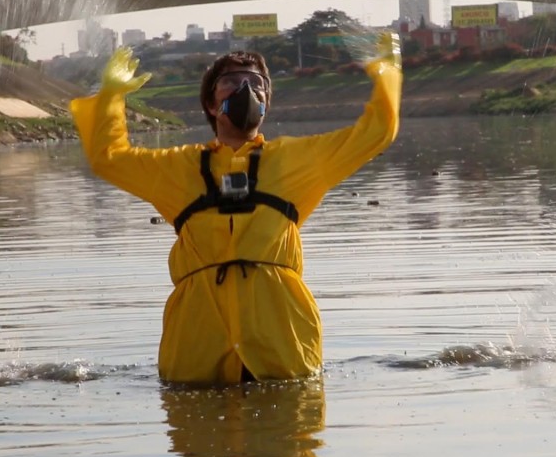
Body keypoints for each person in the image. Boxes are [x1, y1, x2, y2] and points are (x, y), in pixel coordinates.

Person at [70, 33, 402, 384]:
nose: (244, 88)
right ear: (212, 105)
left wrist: (387, 72)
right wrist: (111, 96)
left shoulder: (298, 160)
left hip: (281, 339)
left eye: (255, 83)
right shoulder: (176, 168)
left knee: (289, 423)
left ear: (266, 102)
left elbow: (377, 131)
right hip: (196, 342)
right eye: (230, 82)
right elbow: (108, 158)